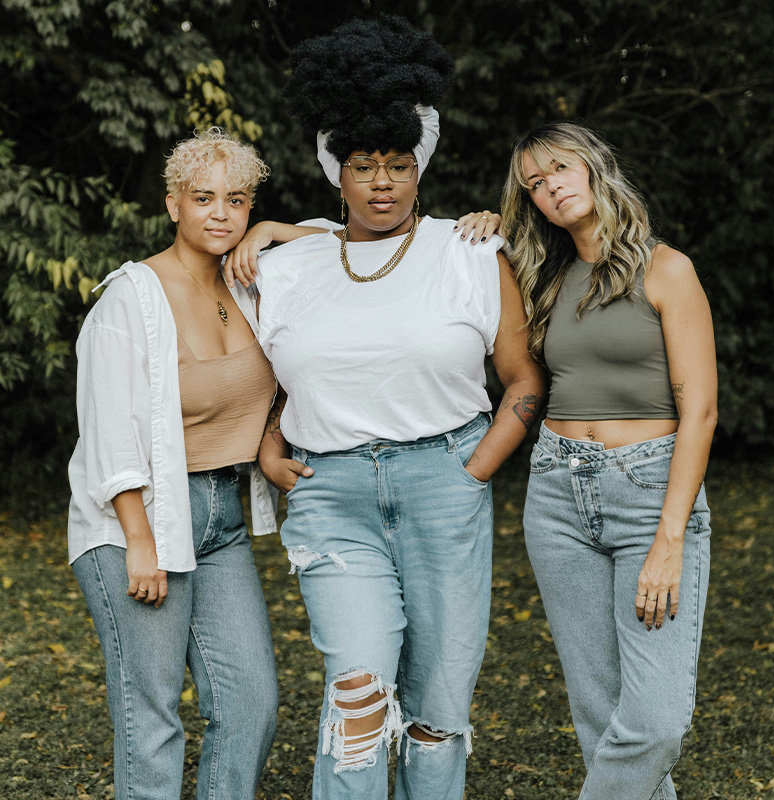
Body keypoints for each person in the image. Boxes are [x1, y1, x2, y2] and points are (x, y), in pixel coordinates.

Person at [225, 16, 545, 800]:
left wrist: (474, 471)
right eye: (363, 166)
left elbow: (524, 382)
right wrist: (268, 443)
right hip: (331, 498)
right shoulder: (285, 266)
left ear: (418, 170)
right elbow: (274, 379)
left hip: (445, 487)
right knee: (358, 693)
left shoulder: (470, 252)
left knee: (438, 708)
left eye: (398, 165)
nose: (381, 183)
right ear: (336, 173)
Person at [501, 121, 716, 799]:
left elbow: (700, 412)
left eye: (560, 168)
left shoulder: (667, 269)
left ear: (594, 166)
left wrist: (670, 540)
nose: (550, 188)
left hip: (649, 491)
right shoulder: (544, 276)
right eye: (534, 183)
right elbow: (390, 237)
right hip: (557, 495)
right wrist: (276, 231)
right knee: (600, 713)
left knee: (653, 722)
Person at [67, 128, 282, 800]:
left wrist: (271, 231)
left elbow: (344, 242)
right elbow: (107, 431)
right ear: (173, 205)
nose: (220, 213)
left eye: (237, 200)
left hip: (221, 517)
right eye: (203, 197)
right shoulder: (130, 299)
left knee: (251, 701)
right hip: (138, 518)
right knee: (152, 714)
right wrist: (140, 540)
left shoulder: (251, 288)